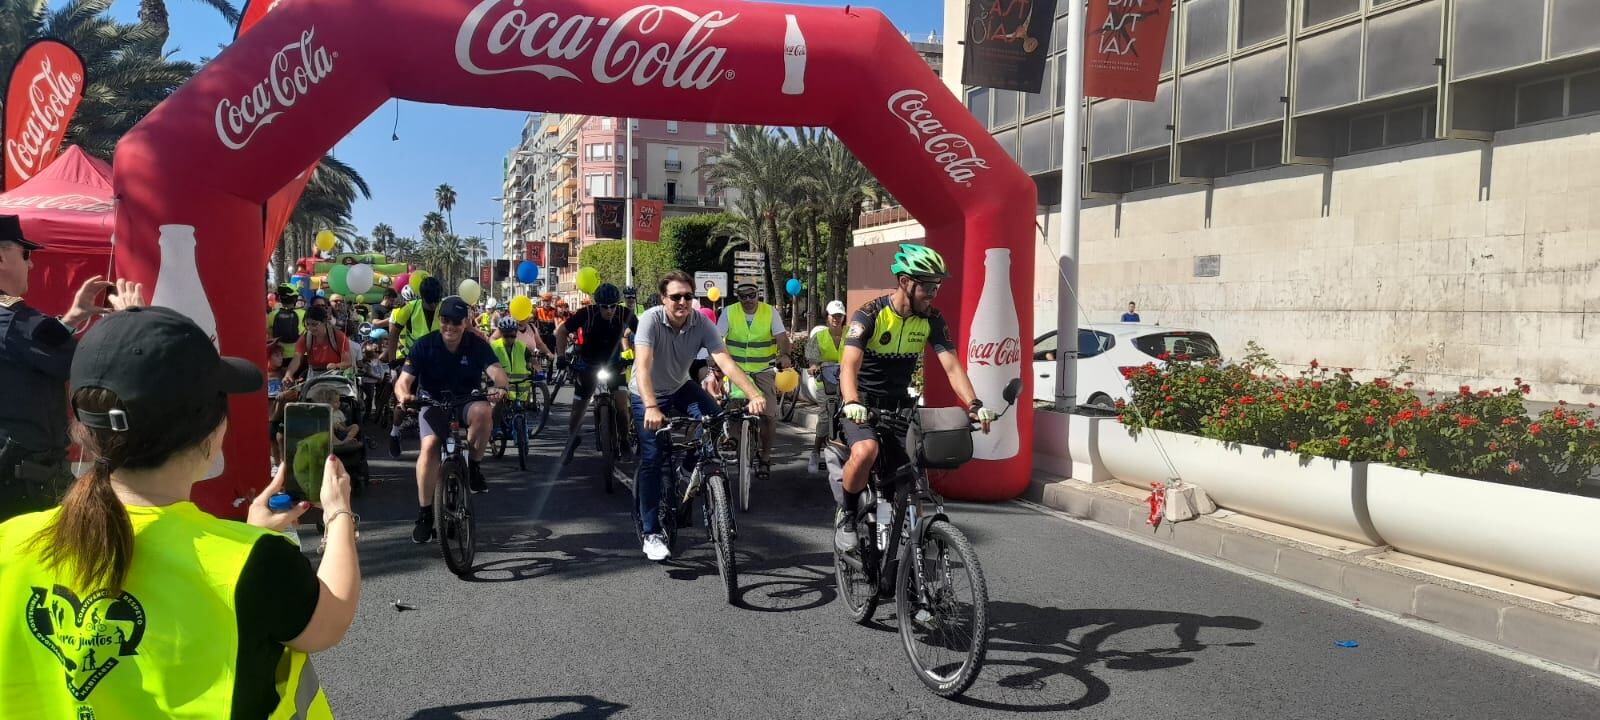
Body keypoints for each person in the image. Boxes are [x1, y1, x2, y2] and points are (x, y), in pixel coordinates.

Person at [0, 306, 360, 718]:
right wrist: (338, 513)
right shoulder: (254, 562)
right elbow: (330, 618)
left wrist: (249, 537)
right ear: (211, 435)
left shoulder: (10, 541)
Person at [834, 244, 997, 553]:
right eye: (927, 285)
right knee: (867, 450)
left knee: (912, 486)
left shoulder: (932, 320)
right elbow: (849, 365)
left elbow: (952, 366)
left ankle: (916, 566)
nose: (933, 293)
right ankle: (849, 516)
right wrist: (852, 401)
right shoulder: (870, 314)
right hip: (862, 408)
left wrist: (974, 405)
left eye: (937, 285)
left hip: (901, 411)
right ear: (905, 282)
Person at [0, 215, 143, 522]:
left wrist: (72, 318)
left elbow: (37, 347)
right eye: (26, 255)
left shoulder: (15, 323)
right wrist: (130, 322)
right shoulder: (14, 320)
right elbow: (85, 367)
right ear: (2, 256)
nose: (32, 265)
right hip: (23, 483)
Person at [631, 271, 766, 561]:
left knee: (716, 420)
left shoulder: (701, 322)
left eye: (688, 296)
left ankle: (688, 467)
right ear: (664, 298)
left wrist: (754, 394)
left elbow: (725, 361)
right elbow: (642, 367)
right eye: (675, 296)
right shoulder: (650, 320)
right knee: (653, 459)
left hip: (680, 386)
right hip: (647, 393)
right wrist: (652, 406)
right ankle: (651, 532)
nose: (682, 302)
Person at [392, 296, 509, 544]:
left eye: (457, 322)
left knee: (484, 411)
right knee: (430, 446)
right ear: (439, 320)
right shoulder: (424, 345)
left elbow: (496, 371)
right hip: (432, 401)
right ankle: (425, 515)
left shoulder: (476, 344)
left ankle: (474, 467)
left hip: (467, 399)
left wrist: (499, 387)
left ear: (465, 322)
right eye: (446, 320)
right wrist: (404, 396)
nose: (450, 327)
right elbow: (403, 381)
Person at [715, 282, 793, 481]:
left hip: (763, 369)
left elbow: (782, 337)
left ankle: (765, 457)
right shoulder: (729, 312)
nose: (748, 300)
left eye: (751, 295)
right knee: (732, 407)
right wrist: (713, 358)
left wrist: (784, 355)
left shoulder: (770, 312)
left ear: (758, 295)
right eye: (743, 296)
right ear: (738, 297)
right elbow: (716, 339)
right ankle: (732, 437)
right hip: (736, 369)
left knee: (769, 415)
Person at [556, 283, 636, 464]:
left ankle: (624, 440)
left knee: (623, 405)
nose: (609, 310)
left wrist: (639, 356)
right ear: (597, 304)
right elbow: (561, 331)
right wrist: (561, 357)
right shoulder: (586, 313)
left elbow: (643, 334)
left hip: (614, 365)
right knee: (578, 408)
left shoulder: (624, 313)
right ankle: (571, 440)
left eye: (612, 306)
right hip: (588, 365)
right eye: (604, 306)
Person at [383, 276, 446, 457]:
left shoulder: (442, 308)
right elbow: (393, 333)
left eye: (436, 301)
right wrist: (393, 361)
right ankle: (394, 433)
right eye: (430, 302)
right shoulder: (409, 309)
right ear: (422, 297)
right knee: (404, 401)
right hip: (413, 360)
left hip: (437, 361)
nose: (433, 305)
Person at [804, 300, 849, 473]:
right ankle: (815, 452)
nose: (837, 319)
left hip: (847, 381)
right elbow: (812, 360)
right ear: (827, 317)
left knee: (850, 414)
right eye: (833, 316)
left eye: (840, 316)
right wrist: (814, 367)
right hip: (826, 382)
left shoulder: (851, 333)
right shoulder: (819, 337)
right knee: (825, 416)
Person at [283, 306, 355, 382]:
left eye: (314, 324)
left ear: (324, 321)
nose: (310, 328)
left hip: (335, 375)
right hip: (314, 376)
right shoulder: (306, 337)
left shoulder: (338, 336)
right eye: (308, 324)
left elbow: (348, 362)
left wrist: (336, 365)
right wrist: (288, 374)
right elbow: (297, 358)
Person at [267, 284, 305, 373]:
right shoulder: (303, 314)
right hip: (300, 357)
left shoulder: (272, 315)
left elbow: (269, 335)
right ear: (295, 299)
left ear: (280, 299)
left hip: (279, 357)